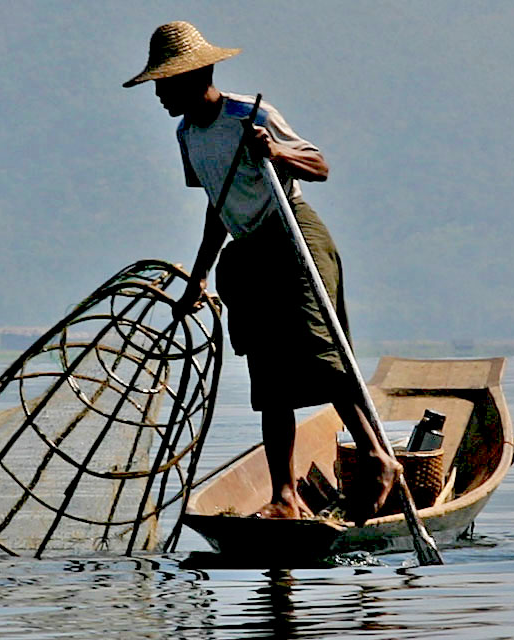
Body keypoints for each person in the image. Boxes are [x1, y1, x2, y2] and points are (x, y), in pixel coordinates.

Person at [123, 21, 401, 523]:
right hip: (249, 251)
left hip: (293, 236)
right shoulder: (186, 134)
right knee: (268, 375)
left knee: (322, 352)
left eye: (165, 84)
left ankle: (379, 456)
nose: (160, 95)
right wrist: (200, 275)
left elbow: (318, 166)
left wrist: (275, 151)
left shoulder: (248, 114)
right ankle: (285, 496)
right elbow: (217, 206)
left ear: (196, 75)